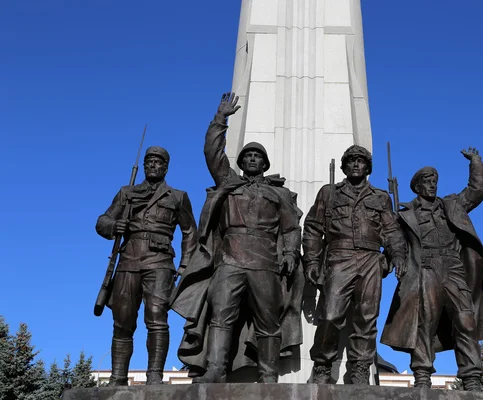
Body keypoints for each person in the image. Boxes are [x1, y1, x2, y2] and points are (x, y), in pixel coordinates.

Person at [171, 92, 303, 383]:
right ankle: (217, 369)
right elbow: (213, 153)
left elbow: (292, 228)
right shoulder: (229, 184)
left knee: (269, 321)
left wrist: (291, 254)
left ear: (265, 164)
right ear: (241, 163)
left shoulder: (278, 194)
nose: (253, 159)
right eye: (248, 156)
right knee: (221, 318)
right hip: (230, 260)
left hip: (266, 262)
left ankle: (268, 374)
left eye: (258, 156)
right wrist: (221, 119)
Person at [380, 147, 483, 392]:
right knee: (424, 321)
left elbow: (477, 191)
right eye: (427, 182)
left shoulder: (451, 204)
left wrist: (476, 162)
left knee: (466, 320)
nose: (432, 185)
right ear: (417, 186)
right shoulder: (405, 213)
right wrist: (389, 263)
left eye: (435, 181)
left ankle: (471, 376)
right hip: (425, 268)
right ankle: (422, 374)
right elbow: (394, 242)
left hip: (453, 268)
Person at [302, 145, 406, 384]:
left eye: (361, 161)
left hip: (370, 258)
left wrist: (397, 255)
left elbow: (391, 231)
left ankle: (359, 369)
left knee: (366, 318)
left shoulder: (380, 197)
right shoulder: (329, 193)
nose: (356, 164)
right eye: (351, 161)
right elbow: (313, 228)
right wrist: (312, 260)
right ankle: (322, 366)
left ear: (368, 167)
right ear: (344, 166)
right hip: (339, 257)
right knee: (330, 315)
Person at [95, 146, 197, 385]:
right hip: (128, 261)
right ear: (144, 166)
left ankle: (154, 376)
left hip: (160, 262)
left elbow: (190, 232)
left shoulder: (177, 196)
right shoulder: (127, 193)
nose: (153, 165)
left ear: (166, 167)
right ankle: (118, 377)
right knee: (122, 320)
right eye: (149, 161)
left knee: (156, 318)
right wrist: (114, 226)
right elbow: (102, 221)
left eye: (158, 162)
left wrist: (184, 266)